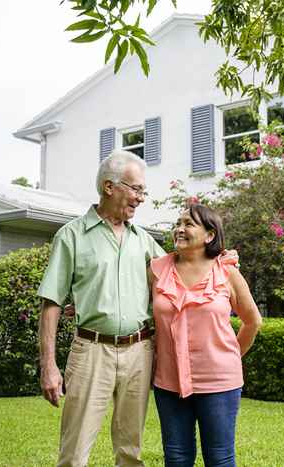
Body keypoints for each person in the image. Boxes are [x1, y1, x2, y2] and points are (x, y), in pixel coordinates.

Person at [37, 150, 165, 467]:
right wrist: (49, 366)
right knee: (74, 451)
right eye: (136, 189)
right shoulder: (71, 236)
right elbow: (51, 302)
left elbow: (177, 276)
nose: (141, 198)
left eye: (143, 191)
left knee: (130, 452)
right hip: (91, 351)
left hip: (139, 351)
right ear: (109, 187)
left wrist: (218, 258)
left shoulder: (144, 241)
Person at [149, 204, 263, 467]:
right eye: (178, 223)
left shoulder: (227, 272)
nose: (180, 229)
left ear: (209, 235)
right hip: (169, 383)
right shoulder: (156, 270)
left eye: (188, 224)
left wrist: (230, 357)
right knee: (176, 457)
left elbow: (252, 321)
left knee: (220, 459)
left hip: (220, 384)